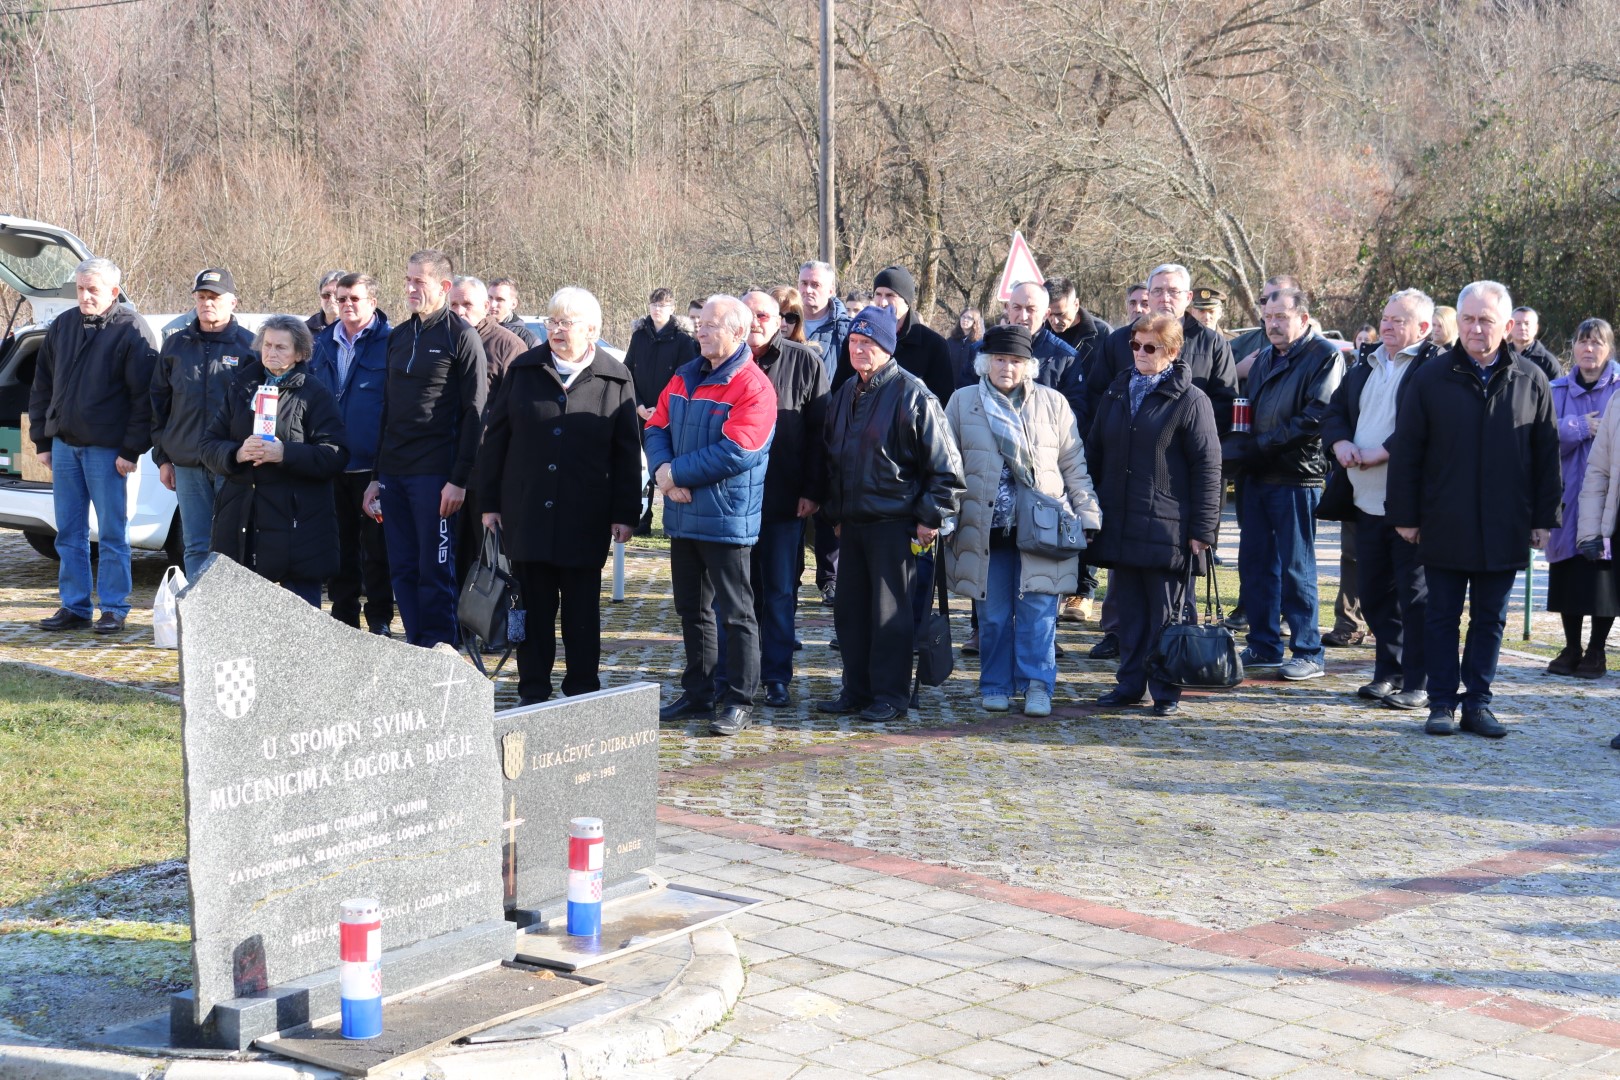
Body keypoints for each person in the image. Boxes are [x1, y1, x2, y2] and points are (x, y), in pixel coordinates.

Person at [1388, 281, 1560, 738]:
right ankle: (1442, 703)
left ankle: (1478, 703)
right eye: (1468, 319)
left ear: (1507, 326)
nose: (1476, 328)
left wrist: (1544, 519)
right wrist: (1405, 515)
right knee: (1441, 616)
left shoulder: (1531, 379)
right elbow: (1407, 451)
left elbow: (1546, 455)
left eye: (1486, 320)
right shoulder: (1430, 377)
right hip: (1444, 519)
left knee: (1490, 619)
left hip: (1506, 522)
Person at [479, 287, 641, 705]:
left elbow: (626, 451)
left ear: (592, 330)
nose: (556, 329)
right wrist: (489, 503)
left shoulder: (615, 376)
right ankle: (533, 691)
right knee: (532, 609)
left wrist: (626, 512)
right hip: (527, 510)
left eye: (566, 322)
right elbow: (496, 439)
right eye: (552, 321)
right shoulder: (524, 369)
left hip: (584, 515)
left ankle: (582, 691)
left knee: (581, 613)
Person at [818, 305, 964, 722]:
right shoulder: (845, 392)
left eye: (868, 343)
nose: (859, 349)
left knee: (890, 617)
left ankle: (890, 695)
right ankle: (856, 689)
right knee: (850, 614)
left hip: (896, 525)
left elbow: (947, 469)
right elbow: (832, 458)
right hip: (853, 524)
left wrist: (929, 518)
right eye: (854, 341)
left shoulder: (913, 394)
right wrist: (835, 513)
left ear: (887, 346)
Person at [946, 324, 1099, 718]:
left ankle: (1037, 686)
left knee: (1039, 614)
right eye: (999, 359)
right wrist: (942, 514)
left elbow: (1073, 465)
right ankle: (995, 684)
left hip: (1044, 526)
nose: (1007, 367)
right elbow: (946, 466)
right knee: (994, 617)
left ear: (1029, 366)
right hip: (985, 528)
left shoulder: (1053, 403)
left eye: (1016, 361)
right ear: (985, 362)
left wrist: (1087, 513)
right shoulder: (962, 402)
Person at [644, 295, 777, 737]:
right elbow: (656, 426)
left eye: (710, 325)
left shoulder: (753, 386)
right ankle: (698, 692)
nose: (699, 330)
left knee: (736, 613)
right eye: (699, 323)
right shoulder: (684, 375)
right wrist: (663, 472)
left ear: (738, 332)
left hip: (725, 518)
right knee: (692, 610)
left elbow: (738, 450)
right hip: (683, 513)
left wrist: (674, 474)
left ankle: (738, 700)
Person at [1087, 313, 1222, 715]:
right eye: (1135, 345)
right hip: (1121, 519)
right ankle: (1130, 684)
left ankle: (1166, 690)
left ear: (1173, 352)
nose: (1140, 353)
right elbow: (1095, 452)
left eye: (1150, 347)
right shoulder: (1117, 390)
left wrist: (1203, 530)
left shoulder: (1191, 399)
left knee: (1167, 614)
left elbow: (1208, 467)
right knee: (1129, 613)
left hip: (1168, 529)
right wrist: (1088, 507)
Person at [363, 249, 488, 649]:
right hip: (394, 473)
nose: (410, 288)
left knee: (435, 570)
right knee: (402, 569)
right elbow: (387, 411)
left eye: (419, 281)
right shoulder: (398, 336)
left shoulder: (461, 336)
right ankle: (416, 651)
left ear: (444, 286)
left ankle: (440, 652)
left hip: (436, 476)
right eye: (407, 280)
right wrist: (376, 477)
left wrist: (459, 480)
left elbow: (475, 413)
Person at [1322, 288, 1440, 710]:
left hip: (1410, 504)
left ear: (1422, 327)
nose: (1387, 326)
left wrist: (1383, 451)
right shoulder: (1366, 362)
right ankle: (1388, 673)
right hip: (1364, 500)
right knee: (1373, 595)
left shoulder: (1434, 368)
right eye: (1385, 318)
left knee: (1415, 598)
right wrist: (1339, 443)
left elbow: (1428, 426)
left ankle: (1419, 681)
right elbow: (1335, 410)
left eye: (1398, 320)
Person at [29, 257, 159, 633]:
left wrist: (131, 450)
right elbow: (42, 385)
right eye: (80, 289)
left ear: (114, 292)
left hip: (108, 451)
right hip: (64, 447)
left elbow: (145, 398)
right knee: (68, 533)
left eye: (93, 290)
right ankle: (74, 606)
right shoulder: (63, 325)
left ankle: (114, 608)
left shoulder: (131, 329)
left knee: (113, 533)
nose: (85, 296)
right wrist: (42, 439)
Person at [712, 289, 828, 708]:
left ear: (781, 321)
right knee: (731, 595)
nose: (758, 322)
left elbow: (820, 434)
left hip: (783, 500)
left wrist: (812, 491)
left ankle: (777, 676)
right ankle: (729, 676)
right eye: (750, 315)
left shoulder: (805, 362)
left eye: (765, 315)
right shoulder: (719, 362)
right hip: (729, 503)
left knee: (779, 593)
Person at [1227, 285, 1344, 681]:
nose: (1273, 325)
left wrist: (1260, 446)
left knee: (1296, 568)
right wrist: (1239, 447)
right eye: (1268, 318)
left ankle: (1308, 651)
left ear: (1303, 318)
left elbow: (1316, 417)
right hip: (1256, 473)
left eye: (1281, 317)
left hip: (1297, 475)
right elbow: (1249, 408)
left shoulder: (1324, 355)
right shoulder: (1264, 357)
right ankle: (1263, 644)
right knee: (1255, 564)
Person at [200, 315, 348, 605]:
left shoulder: (314, 393)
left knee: (299, 617)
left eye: (281, 347)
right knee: (245, 615)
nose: (271, 353)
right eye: (267, 345)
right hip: (243, 518)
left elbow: (335, 453)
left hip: (296, 525)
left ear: (299, 353)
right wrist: (237, 452)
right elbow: (208, 445)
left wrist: (285, 453)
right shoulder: (241, 386)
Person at [149, 267, 258, 580]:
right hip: (187, 462)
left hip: (231, 461)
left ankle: (228, 605)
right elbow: (158, 405)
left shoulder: (250, 347)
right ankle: (198, 605)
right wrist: (163, 458)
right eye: (202, 297)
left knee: (231, 544)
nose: (207, 303)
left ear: (233, 302)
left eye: (215, 297)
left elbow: (261, 409)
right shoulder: (175, 346)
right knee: (195, 544)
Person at [309, 272, 394, 635]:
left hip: (373, 467)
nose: (345, 304)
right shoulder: (321, 343)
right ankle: (343, 620)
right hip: (331, 463)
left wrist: (384, 466)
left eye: (354, 298)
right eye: (340, 298)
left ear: (372, 302)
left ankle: (380, 620)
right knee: (338, 548)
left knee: (377, 550)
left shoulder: (391, 342)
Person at [1544, 319, 1620, 677]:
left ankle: (1597, 650)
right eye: (1582, 342)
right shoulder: (1555, 389)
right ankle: (1571, 646)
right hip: (1565, 497)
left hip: (1607, 499)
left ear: (1609, 349)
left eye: (1597, 343)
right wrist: (1577, 427)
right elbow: (1538, 437)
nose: (1589, 349)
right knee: (1567, 574)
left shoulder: (1618, 389)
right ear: (1573, 347)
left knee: (1602, 576)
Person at [448, 275, 529, 589]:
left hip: (487, 472)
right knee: (452, 561)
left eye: (467, 304)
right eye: (454, 304)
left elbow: (520, 415)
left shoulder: (508, 346)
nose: (459, 311)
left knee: (491, 566)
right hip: (444, 469)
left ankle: (497, 620)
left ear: (486, 306)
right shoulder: (441, 340)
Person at [625, 287, 700, 534]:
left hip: (669, 414)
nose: (658, 310)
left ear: (672, 308)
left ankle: (671, 519)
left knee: (665, 465)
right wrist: (637, 404)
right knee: (638, 466)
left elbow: (685, 376)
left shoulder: (683, 340)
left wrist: (662, 406)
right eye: (654, 305)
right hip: (640, 412)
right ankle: (640, 518)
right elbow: (628, 372)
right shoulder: (639, 336)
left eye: (663, 305)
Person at [834, 265, 956, 405]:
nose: (883, 302)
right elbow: (839, 392)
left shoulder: (933, 345)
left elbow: (943, 402)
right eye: (878, 294)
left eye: (890, 295)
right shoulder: (857, 338)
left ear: (907, 301)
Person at [798, 260, 851, 377]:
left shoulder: (846, 329)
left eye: (815, 285)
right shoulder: (783, 323)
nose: (808, 290)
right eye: (804, 283)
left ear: (830, 291)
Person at [1045, 276, 1112, 357]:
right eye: (1049, 314)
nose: (1055, 321)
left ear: (1076, 305)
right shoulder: (1037, 332)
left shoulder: (1104, 333)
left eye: (1060, 314)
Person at [1510, 306, 1562, 382]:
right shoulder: (1500, 356)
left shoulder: (1548, 362)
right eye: (1518, 323)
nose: (1522, 328)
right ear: (1510, 326)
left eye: (1527, 324)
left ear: (1536, 328)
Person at [488, 276, 542, 348]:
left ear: (513, 304)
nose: (492, 304)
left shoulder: (527, 339)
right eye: (490, 298)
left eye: (500, 299)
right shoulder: (478, 331)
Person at [948, 308, 985, 388]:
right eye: (963, 316)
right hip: (949, 385)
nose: (965, 320)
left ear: (975, 321)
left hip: (969, 387)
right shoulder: (950, 340)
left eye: (969, 318)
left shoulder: (979, 344)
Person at [307, 270, 345, 334]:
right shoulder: (304, 330)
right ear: (320, 297)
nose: (332, 300)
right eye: (326, 295)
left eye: (337, 295)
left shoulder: (358, 329)